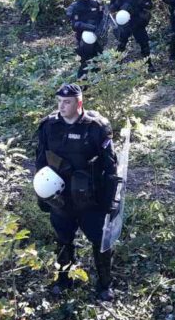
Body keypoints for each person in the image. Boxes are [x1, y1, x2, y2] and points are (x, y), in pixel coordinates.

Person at [34, 84, 120, 301]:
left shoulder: (96, 127)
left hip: (91, 197)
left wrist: (111, 199)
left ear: (79, 103)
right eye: (59, 102)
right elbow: (41, 161)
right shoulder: (49, 126)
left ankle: (104, 284)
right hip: (60, 197)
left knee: (100, 241)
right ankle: (64, 280)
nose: (62, 106)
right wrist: (42, 195)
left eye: (67, 102)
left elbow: (110, 167)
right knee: (63, 240)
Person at [109, 0, 154, 72]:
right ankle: (115, 67)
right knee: (121, 44)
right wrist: (119, 3)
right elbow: (111, 9)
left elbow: (150, 5)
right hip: (125, 23)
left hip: (138, 21)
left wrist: (141, 3)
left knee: (144, 44)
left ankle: (149, 65)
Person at [66, 0, 106, 78]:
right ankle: (81, 86)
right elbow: (75, 25)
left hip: (97, 37)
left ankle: (98, 85)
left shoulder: (95, 4)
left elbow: (101, 19)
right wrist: (89, 27)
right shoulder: (74, 7)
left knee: (98, 60)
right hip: (84, 39)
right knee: (85, 63)